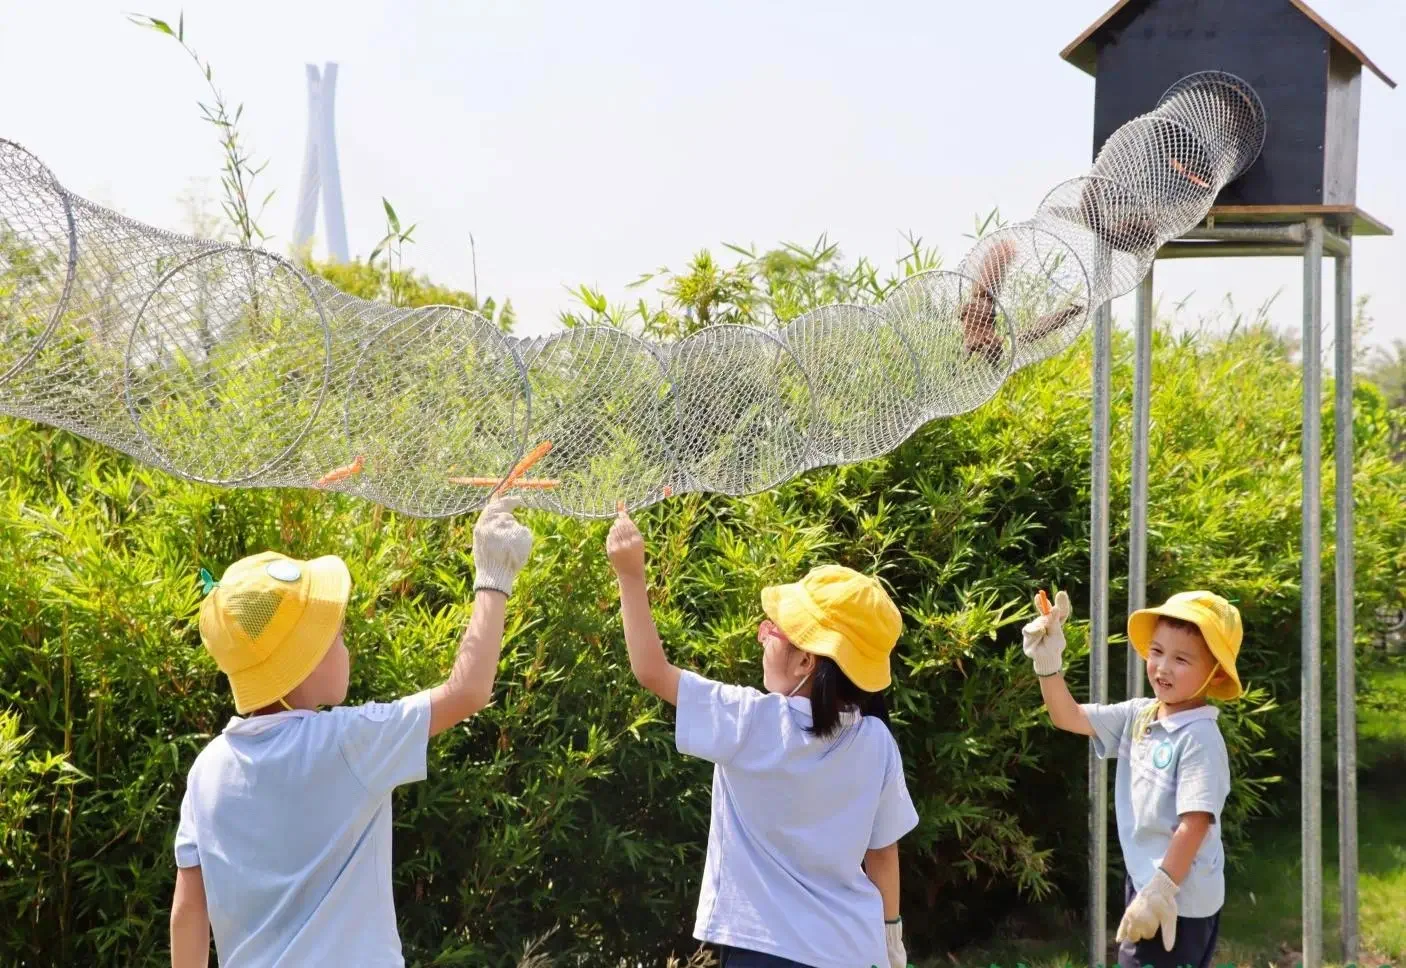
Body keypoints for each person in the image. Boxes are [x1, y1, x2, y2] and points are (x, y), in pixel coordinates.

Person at [169, 497, 535, 967]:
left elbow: (188, 914)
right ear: (303, 660)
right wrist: (493, 575)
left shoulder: (207, 771)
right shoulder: (346, 743)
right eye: (337, 634)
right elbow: (467, 691)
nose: (345, 646)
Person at [605, 508, 918, 968]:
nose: (761, 634)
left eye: (775, 629)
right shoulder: (877, 742)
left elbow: (651, 671)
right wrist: (891, 941)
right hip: (852, 950)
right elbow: (883, 853)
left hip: (765, 951)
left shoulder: (751, 721)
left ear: (806, 662)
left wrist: (630, 574)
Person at [1023, 589, 1245, 968]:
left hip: (1177, 900)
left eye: (1181, 659)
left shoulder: (1200, 738)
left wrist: (1160, 892)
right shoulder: (1139, 715)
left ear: (1217, 673)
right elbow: (1068, 716)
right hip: (1149, 884)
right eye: (1156, 652)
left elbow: (1194, 824)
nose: (1162, 667)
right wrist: (1048, 663)